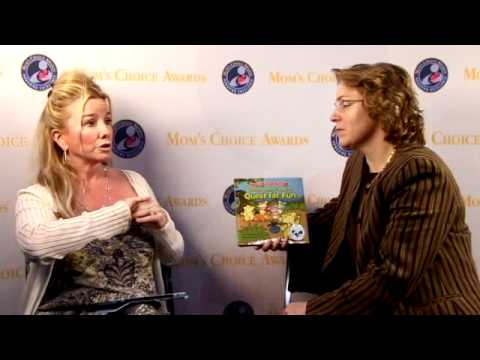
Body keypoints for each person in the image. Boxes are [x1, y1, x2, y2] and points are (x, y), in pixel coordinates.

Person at [258, 62, 480, 315]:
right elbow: (338, 215)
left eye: (345, 103)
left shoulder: (421, 172)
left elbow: (392, 277)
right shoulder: (358, 161)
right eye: (336, 104)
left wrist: (313, 310)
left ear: (382, 106)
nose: (333, 115)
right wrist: (279, 226)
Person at [15, 70, 184, 315]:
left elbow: (174, 255)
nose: (105, 131)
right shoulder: (37, 196)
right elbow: (36, 243)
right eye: (90, 122)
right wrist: (120, 215)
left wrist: (163, 227)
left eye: (108, 120)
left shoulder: (135, 182)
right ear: (60, 138)